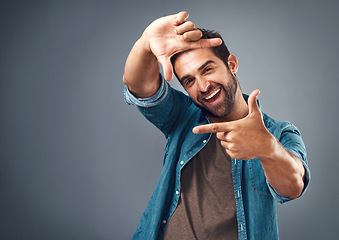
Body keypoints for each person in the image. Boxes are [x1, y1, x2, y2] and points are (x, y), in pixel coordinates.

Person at [123, 11, 310, 240]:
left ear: (231, 64)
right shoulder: (182, 116)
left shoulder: (278, 133)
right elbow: (138, 86)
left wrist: (268, 149)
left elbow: (294, 185)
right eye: (189, 81)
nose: (202, 86)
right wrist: (145, 42)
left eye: (207, 69)